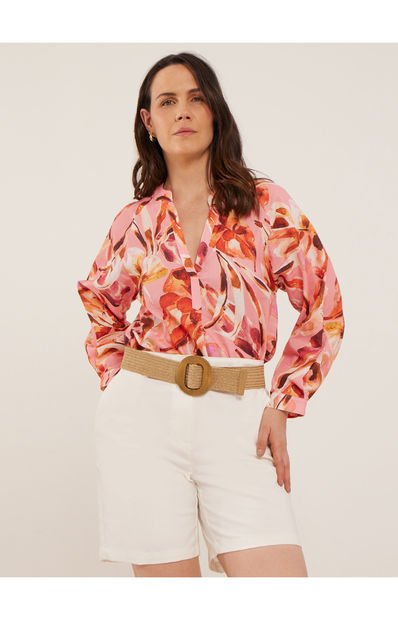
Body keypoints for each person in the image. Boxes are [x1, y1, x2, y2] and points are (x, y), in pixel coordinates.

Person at [76, 52, 345, 578]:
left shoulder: (266, 205)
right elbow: (99, 303)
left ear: (215, 111)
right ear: (148, 121)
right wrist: (122, 382)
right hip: (142, 422)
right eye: (167, 101)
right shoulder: (136, 220)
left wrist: (283, 403)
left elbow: (324, 306)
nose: (182, 111)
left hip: (240, 418)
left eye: (196, 98)